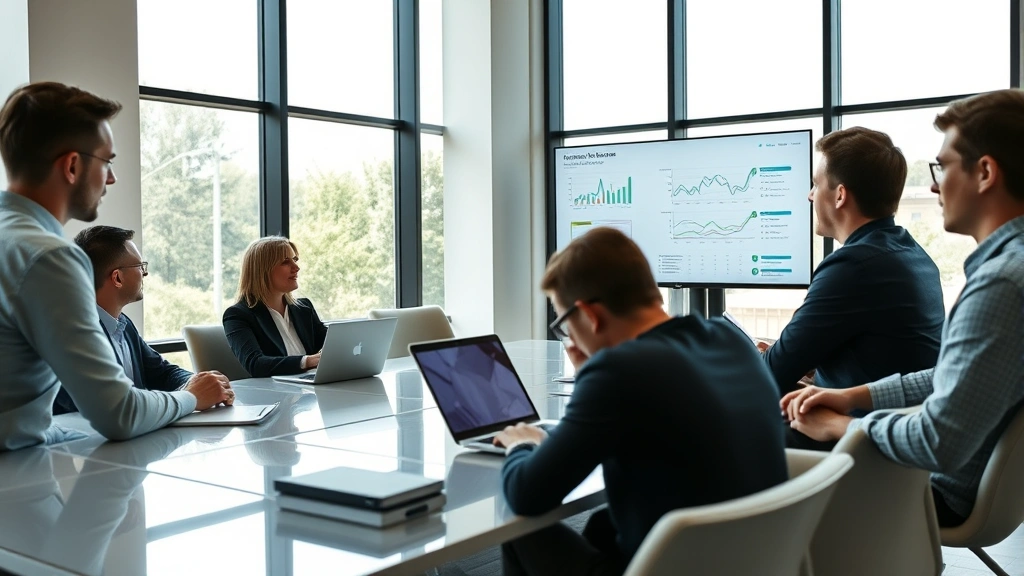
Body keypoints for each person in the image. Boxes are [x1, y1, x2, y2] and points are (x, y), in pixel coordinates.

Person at [782, 89, 1024, 528]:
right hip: (963, 479)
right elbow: (949, 375)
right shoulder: (1010, 270)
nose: (932, 183)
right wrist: (854, 396)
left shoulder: (1002, 284)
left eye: (943, 166)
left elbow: (938, 442)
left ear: (985, 172)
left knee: (749, 443)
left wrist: (840, 426)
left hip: (933, 485)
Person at [496, 227, 787, 576]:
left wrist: (522, 445)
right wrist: (596, 378)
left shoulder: (619, 373)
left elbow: (529, 494)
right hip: (751, 560)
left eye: (564, 324)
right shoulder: (732, 340)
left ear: (589, 315)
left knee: (520, 529)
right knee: (603, 525)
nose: (568, 338)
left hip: (669, 565)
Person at [0, 81, 232, 451]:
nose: (112, 178)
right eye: (107, 161)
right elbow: (119, 414)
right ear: (73, 165)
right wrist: (192, 398)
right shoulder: (50, 256)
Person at [761, 126, 945, 450]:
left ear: (840, 195)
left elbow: (770, 376)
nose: (809, 195)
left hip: (859, 452)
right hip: (895, 442)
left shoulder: (852, 266)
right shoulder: (914, 255)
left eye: (815, 184)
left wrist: (745, 357)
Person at [53, 225, 230, 415]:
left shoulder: (123, 324)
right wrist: (191, 397)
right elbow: (114, 408)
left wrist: (200, 384)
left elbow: (162, 372)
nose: (145, 273)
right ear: (118, 278)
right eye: (139, 266)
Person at [223, 236, 328, 378]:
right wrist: (307, 361)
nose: (296, 267)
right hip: (276, 395)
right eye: (286, 262)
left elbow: (330, 342)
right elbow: (255, 364)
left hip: (313, 388)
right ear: (262, 271)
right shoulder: (238, 315)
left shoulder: (304, 308)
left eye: (295, 260)